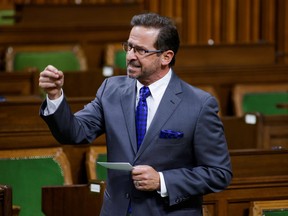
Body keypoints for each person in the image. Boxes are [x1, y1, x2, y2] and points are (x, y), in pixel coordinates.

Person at [39, 12, 232, 216]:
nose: (130, 56)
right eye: (129, 47)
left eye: (140, 50)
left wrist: (162, 181)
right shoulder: (111, 90)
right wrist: (55, 96)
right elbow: (74, 133)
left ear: (166, 57)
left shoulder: (199, 105)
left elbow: (219, 173)